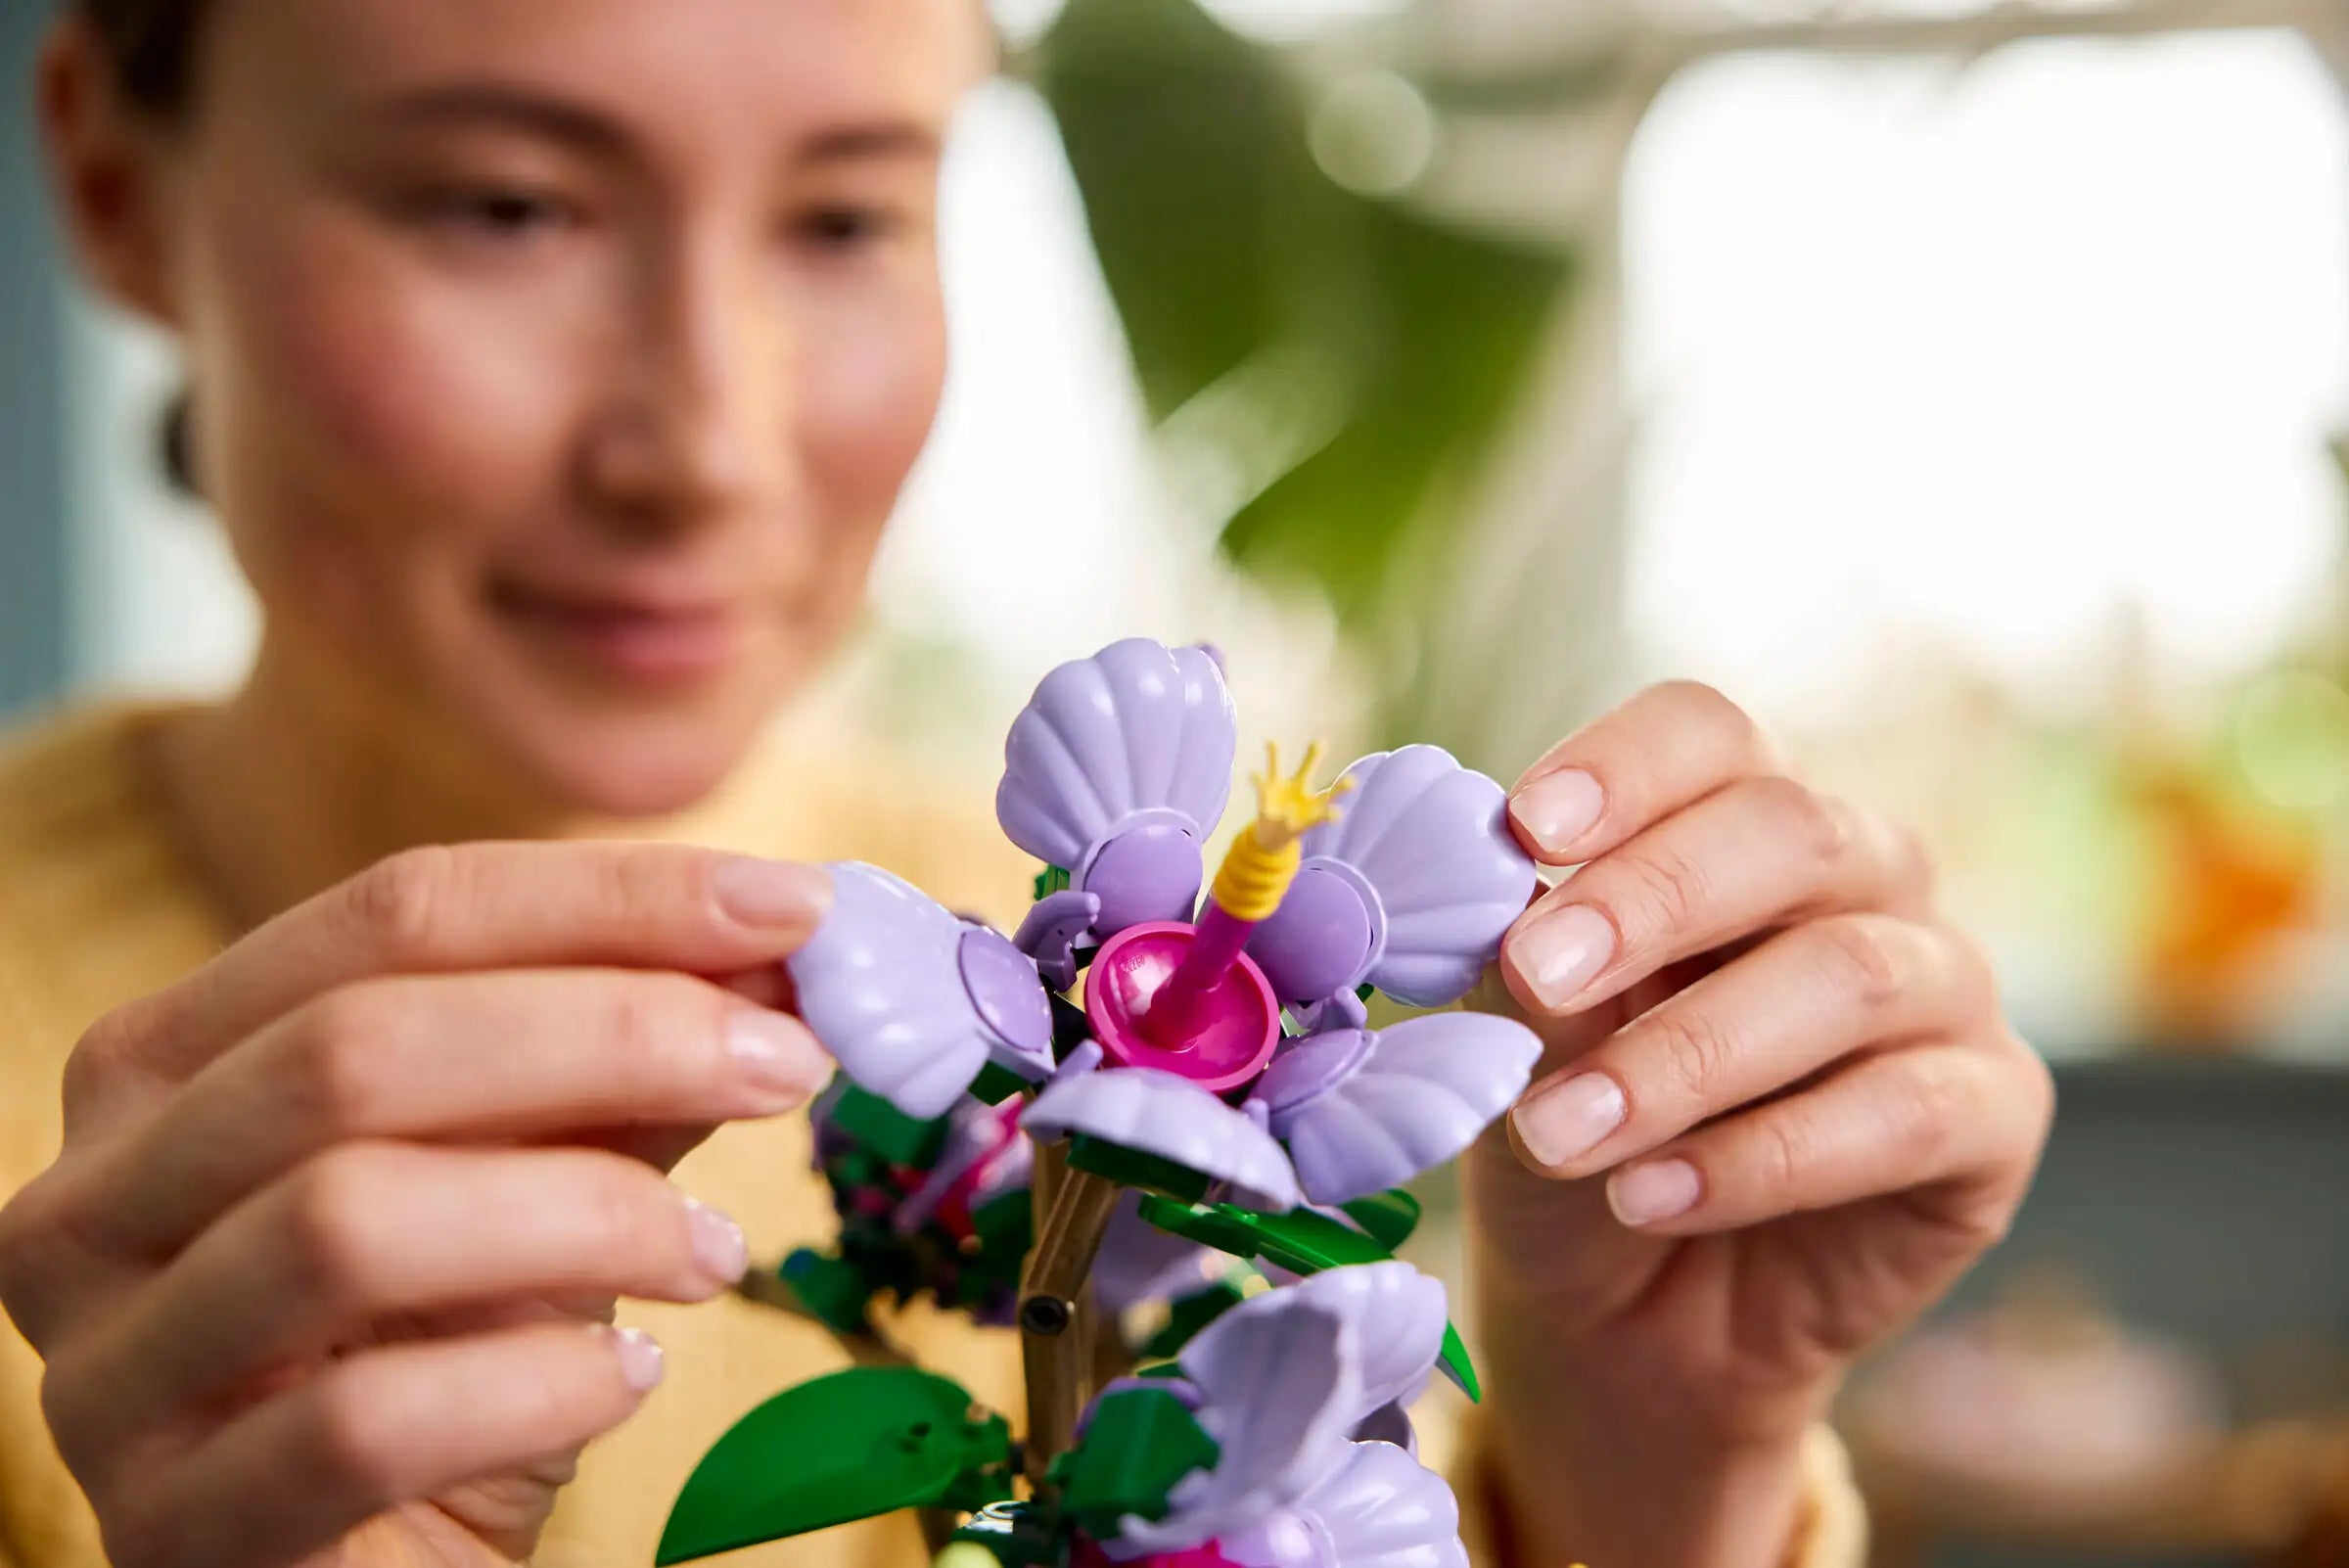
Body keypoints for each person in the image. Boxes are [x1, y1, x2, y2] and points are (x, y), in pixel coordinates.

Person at [0, 2, 2055, 1565]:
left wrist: (1647, 1473)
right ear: (112, 181)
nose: (710, 441)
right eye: (506, 204)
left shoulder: (1011, 953)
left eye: (846, 216)